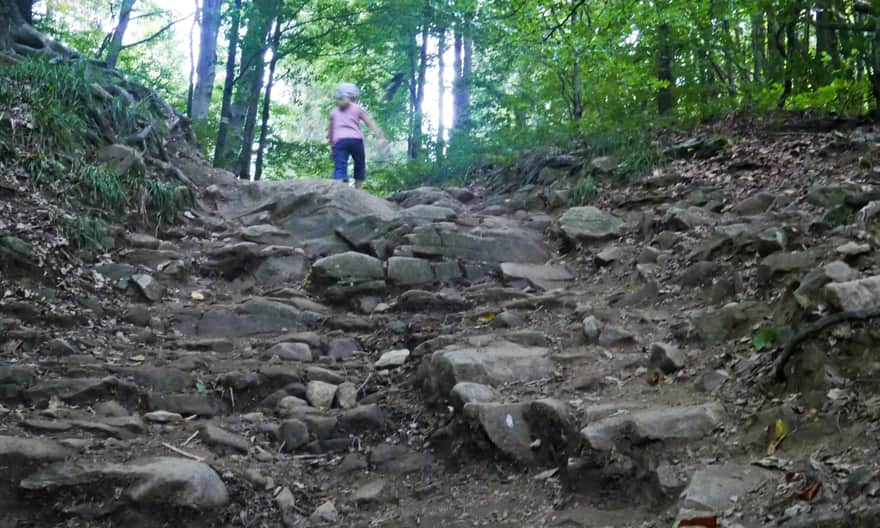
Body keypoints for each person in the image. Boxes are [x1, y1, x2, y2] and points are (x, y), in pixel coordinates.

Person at [327, 82, 386, 189]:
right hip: (356, 141)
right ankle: (358, 189)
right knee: (359, 164)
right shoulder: (358, 108)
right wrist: (380, 137)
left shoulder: (333, 112)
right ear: (355, 96)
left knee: (340, 166)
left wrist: (332, 148)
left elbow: (330, 133)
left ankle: (340, 188)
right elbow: (370, 123)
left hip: (339, 142)